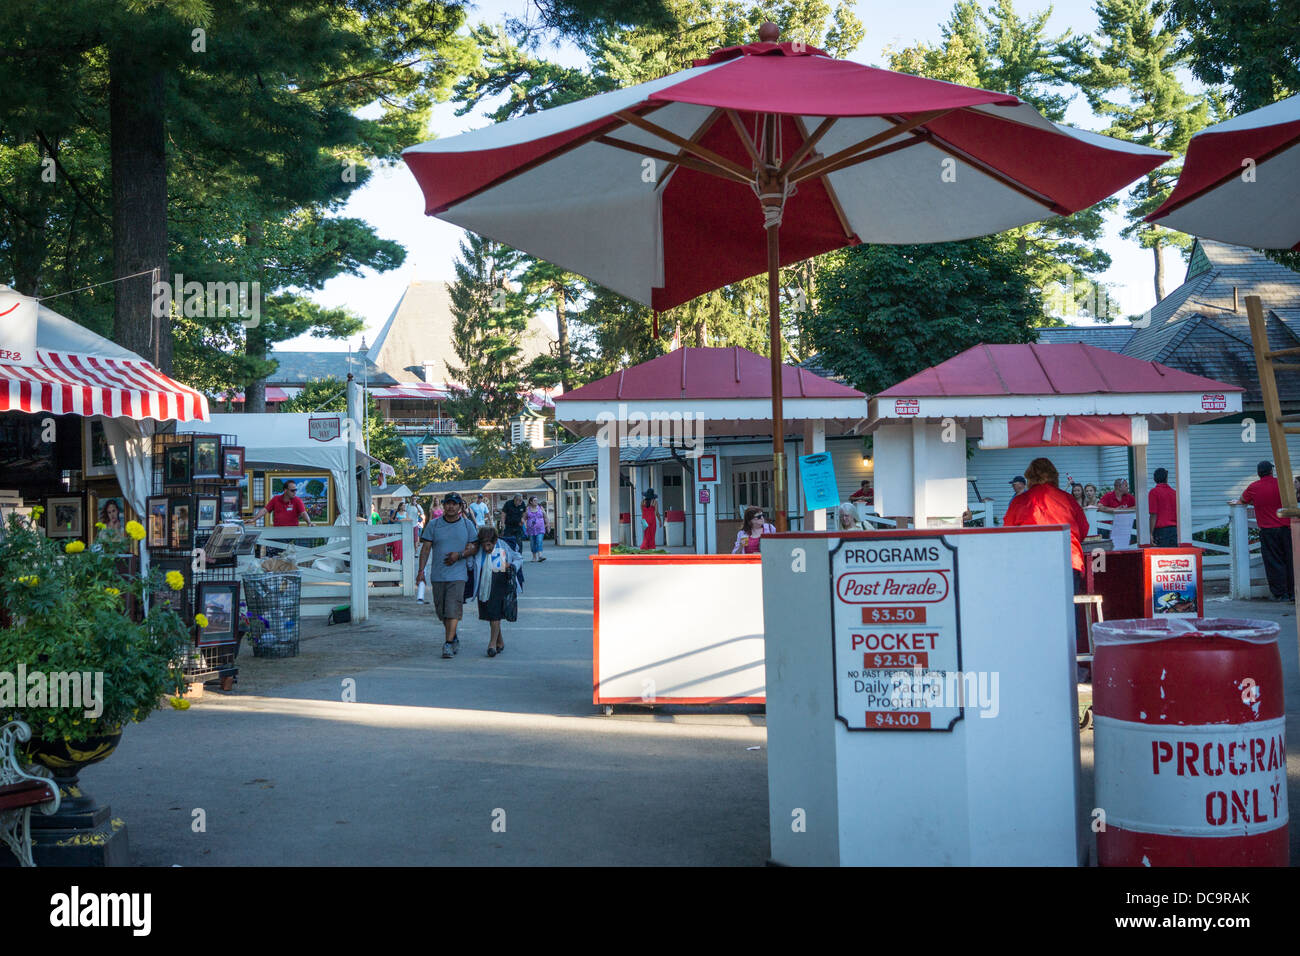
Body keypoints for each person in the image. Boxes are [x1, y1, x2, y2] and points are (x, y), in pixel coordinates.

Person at [1003, 457, 1090, 591]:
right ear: (1054, 477)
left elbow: (1008, 534)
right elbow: (1083, 529)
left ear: (1030, 479)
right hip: (1068, 558)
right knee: (1069, 608)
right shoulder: (1068, 499)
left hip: (1030, 561)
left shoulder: (1019, 501)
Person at [415, 493, 480, 659]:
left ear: (460, 506)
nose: (451, 507)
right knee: (442, 611)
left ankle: (448, 643)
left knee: (453, 608)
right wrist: (421, 571)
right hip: (438, 575)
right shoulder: (434, 525)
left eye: (454, 504)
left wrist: (459, 555)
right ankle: (453, 636)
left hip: (459, 575)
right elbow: (426, 549)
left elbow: (474, 547)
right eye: (448, 503)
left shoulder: (467, 525)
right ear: (443, 505)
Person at [1235, 461, 1294, 601]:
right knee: (1290, 560)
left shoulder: (1254, 487)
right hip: (1285, 528)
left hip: (1268, 530)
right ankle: (1293, 592)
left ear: (1258, 473)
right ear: (1271, 471)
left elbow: (1242, 500)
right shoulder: (1282, 484)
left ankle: (1280, 594)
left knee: (1273, 561)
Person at [472, 525, 523, 657]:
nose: (486, 548)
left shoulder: (502, 546)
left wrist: (511, 565)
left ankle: (492, 644)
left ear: (495, 541)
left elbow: (518, 558)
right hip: (484, 584)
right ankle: (500, 641)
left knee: (495, 613)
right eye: (484, 544)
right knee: (491, 614)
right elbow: (471, 564)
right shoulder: (478, 550)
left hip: (499, 581)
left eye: (489, 545)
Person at [1099, 477, 1137, 546]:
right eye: (1126, 485)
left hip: (1124, 528)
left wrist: (1123, 510)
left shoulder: (1129, 497)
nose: (1128, 487)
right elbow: (1100, 507)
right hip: (1107, 528)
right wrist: (1115, 510)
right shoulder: (1108, 496)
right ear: (1119, 487)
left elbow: (1138, 506)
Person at [1149, 467, 1178, 547]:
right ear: (1166, 478)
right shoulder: (1174, 493)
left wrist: (1150, 533)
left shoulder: (1154, 492)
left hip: (1161, 531)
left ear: (1155, 478)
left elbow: (1153, 514)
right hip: (1174, 530)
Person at [524, 496, 548, 562]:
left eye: (537, 500)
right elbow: (524, 518)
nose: (536, 502)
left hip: (540, 528)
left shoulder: (540, 508)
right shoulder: (527, 509)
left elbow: (545, 517)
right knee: (532, 543)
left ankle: (540, 556)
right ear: (531, 502)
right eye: (534, 500)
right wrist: (525, 526)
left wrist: (547, 525)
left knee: (539, 541)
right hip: (531, 529)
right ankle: (534, 557)